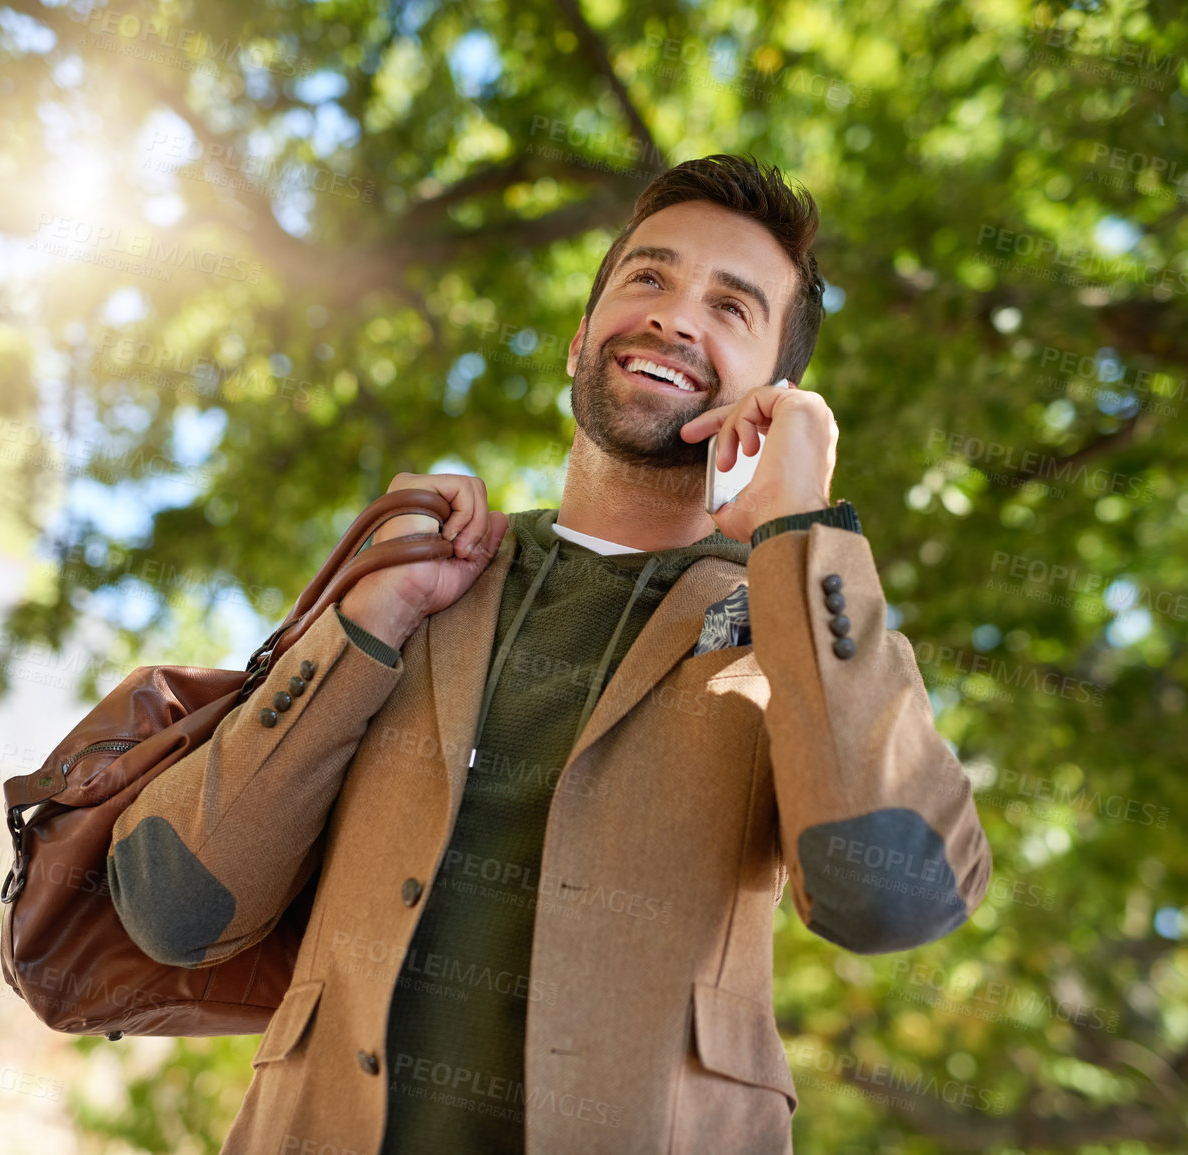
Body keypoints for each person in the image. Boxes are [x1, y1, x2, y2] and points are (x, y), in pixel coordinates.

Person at [106, 153, 992, 1155]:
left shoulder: (792, 625)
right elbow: (175, 908)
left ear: (776, 395)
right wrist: (361, 624)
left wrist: (802, 528)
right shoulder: (422, 584)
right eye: (647, 279)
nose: (674, 315)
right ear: (582, 336)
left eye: (731, 307)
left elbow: (893, 896)